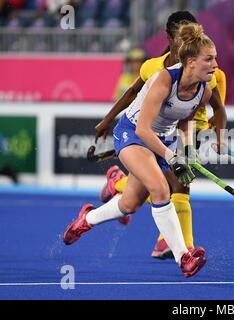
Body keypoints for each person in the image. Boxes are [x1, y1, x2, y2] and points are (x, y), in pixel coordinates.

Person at [63, 23, 217, 278]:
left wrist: (187, 152)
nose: (214, 64)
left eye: (215, 58)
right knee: (160, 188)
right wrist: (172, 157)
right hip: (133, 133)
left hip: (163, 140)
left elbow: (185, 121)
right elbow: (144, 129)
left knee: (129, 204)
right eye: (208, 59)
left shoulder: (204, 90)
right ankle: (184, 257)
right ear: (190, 61)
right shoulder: (165, 80)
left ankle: (86, 219)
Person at [94, 11, 227, 259]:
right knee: (168, 184)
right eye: (182, 37)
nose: (188, 43)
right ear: (169, 38)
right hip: (157, 134)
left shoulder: (210, 71)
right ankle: (177, 246)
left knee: (179, 184)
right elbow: (132, 95)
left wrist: (218, 135)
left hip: (187, 133)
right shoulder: (153, 67)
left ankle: (168, 240)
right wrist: (107, 120)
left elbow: (218, 108)